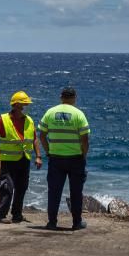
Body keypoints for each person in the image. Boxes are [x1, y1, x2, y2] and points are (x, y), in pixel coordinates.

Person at [39, 87, 90, 230]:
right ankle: (76, 222)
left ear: (61, 97)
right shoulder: (79, 114)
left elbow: (41, 136)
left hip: (56, 159)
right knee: (76, 192)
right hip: (75, 159)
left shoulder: (50, 112)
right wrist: (83, 155)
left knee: (54, 191)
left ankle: (52, 222)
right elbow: (85, 139)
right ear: (74, 98)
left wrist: (48, 151)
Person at [0, 90, 43, 223]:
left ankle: (17, 214)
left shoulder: (29, 120)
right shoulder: (2, 120)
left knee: (22, 188)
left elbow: (35, 139)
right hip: (9, 160)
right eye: (23, 104)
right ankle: (0, 215)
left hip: (24, 159)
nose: (24, 107)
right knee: (7, 187)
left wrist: (38, 156)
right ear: (16, 105)